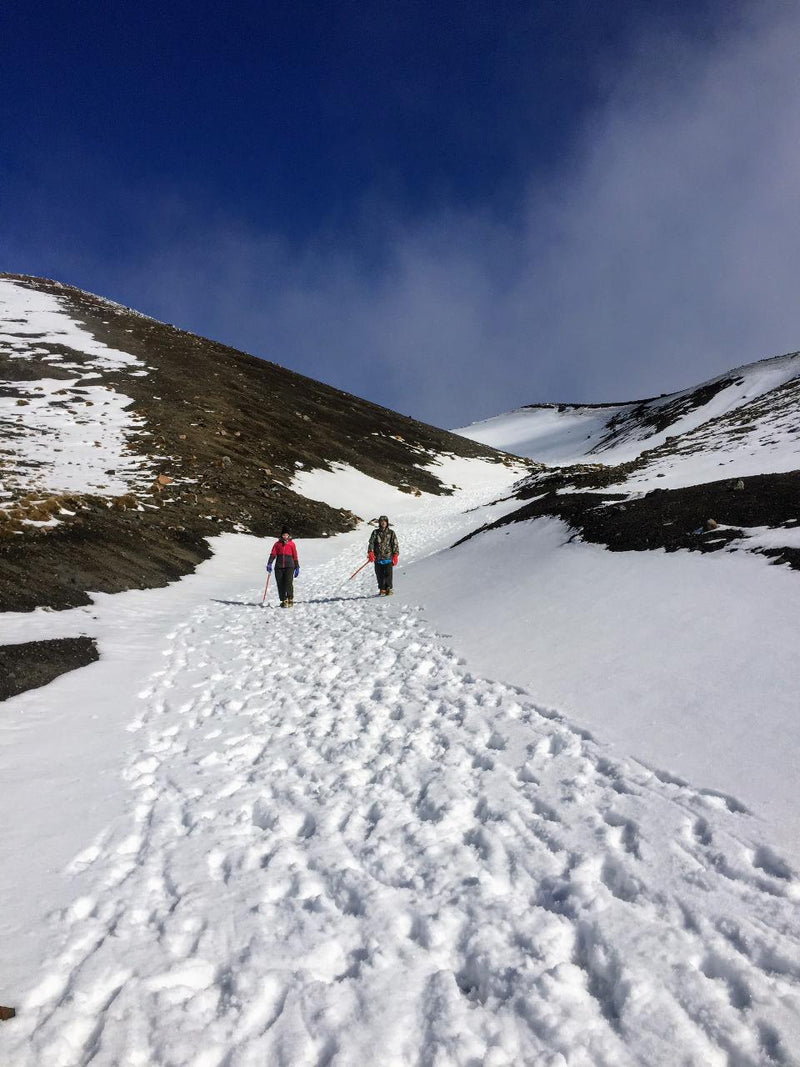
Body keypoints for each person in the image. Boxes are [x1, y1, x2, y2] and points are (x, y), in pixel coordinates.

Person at [267, 527, 299, 607]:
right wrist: (269, 563)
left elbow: (295, 555)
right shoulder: (277, 544)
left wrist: (297, 566)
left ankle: (290, 598)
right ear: (281, 535)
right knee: (280, 583)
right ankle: (283, 600)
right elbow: (273, 554)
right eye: (283, 535)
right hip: (279, 567)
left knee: (288, 582)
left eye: (286, 535)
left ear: (289, 535)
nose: (285, 536)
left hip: (289, 566)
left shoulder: (292, 544)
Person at [367, 515, 399, 596]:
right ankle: (382, 589)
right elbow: (371, 543)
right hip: (378, 558)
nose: (383, 522)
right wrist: (370, 553)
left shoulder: (391, 533)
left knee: (388, 575)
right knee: (380, 575)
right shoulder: (375, 532)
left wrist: (395, 555)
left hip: (388, 558)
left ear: (387, 522)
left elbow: (395, 544)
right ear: (379, 522)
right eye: (381, 521)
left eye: (385, 521)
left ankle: (389, 589)